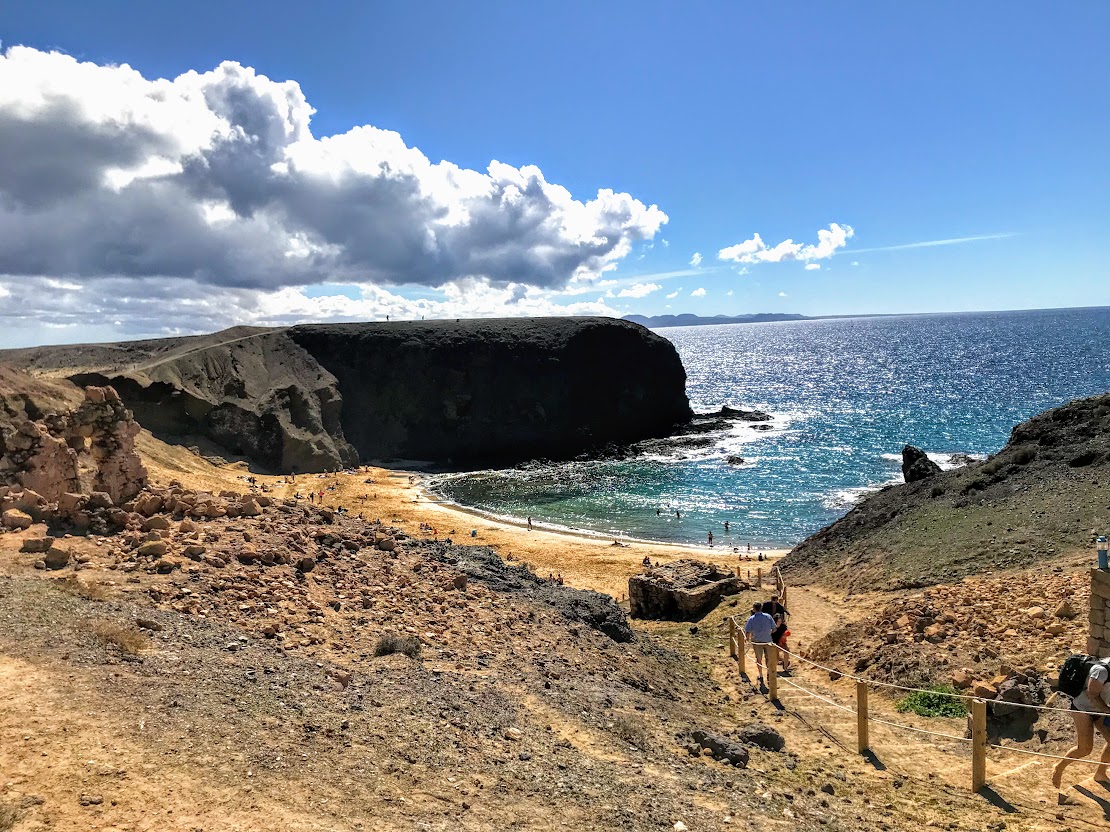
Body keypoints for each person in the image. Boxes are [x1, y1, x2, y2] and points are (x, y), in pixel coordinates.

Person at [1053, 658, 1110, 787]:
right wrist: (1107, 710)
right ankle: (1059, 767)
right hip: (1083, 708)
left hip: (1101, 710)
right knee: (1085, 749)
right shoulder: (1101, 671)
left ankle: (1100, 774)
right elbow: (1092, 695)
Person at [743, 602, 777, 688]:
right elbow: (774, 628)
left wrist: (746, 638)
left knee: (759, 659)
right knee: (768, 658)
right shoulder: (768, 616)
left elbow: (747, 631)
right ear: (761, 608)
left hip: (757, 642)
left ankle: (761, 674)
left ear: (754, 608)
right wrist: (768, 633)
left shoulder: (751, 618)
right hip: (768, 641)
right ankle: (769, 674)